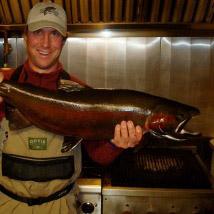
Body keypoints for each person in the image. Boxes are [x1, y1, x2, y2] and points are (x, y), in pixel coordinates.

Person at [0, 2, 143, 213]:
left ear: (64, 40)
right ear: (26, 36)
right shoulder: (5, 85)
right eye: (38, 32)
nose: (46, 43)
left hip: (60, 206)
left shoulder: (82, 95)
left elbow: (98, 156)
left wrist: (117, 144)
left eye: (55, 34)